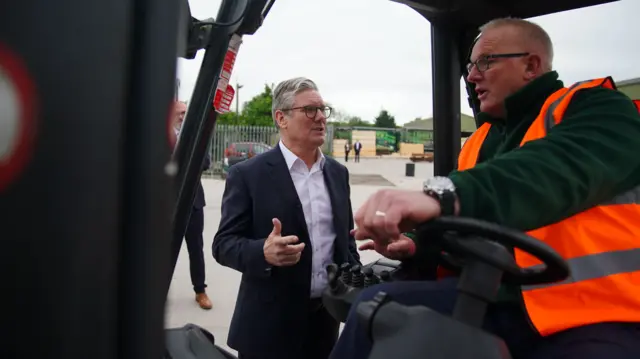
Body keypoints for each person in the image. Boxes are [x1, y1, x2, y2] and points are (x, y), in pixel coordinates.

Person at [329, 17, 640, 359]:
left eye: (485, 62)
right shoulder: (480, 140)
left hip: (599, 313)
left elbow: (550, 170)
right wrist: (417, 246)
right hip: (501, 302)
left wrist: (442, 195)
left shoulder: (599, 110)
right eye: (469, 66)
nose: (473, 76)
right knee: (374, 313)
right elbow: (467, 231)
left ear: (531, 65)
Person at [212, 77, 361, 359]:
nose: (320, 118)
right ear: (282, 118)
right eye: (310, 110)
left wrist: (354, 279)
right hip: (268, 328)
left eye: (323, 110)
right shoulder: (248, 175)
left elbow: (345, 241)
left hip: (324, 325)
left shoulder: (337, 173)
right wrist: (263, 252)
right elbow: (223, 245)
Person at [171, 101, 213, 310]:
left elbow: (206, 162)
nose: (182, 116)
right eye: (179, 112)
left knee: (196, 248)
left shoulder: (197, 135)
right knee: (162, 250)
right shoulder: (161, 136)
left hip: (194, 203)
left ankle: (200, 291)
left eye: (185, 112)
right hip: (167, 204)